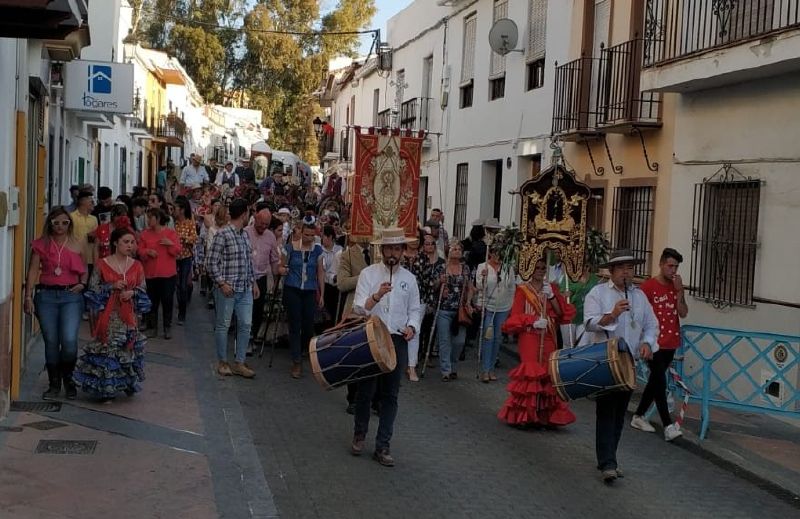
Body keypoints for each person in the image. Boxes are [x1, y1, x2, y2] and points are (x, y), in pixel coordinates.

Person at [581, 249, 659, 484]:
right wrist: (612, 314)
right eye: (623, 268)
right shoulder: (598, 293)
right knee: (606, 409)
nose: (627, 273)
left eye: (630, 269)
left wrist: (647, 343)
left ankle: (609, 456)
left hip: (629, 362)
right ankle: (608, 463)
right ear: (612, 271)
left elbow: (650, 325)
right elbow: (589, 323)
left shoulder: (640, 296)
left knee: (619, 413)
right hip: (605, 359)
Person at [351, 227, 421, 467]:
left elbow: (415, 310)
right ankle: (360, 433)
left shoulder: (410, 280)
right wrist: (377, 296)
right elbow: (358, 309)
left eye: (397, 249)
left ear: (402, 251)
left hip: (397, 339)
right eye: (389, 248)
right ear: (382, 250)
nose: (393, 253)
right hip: (372, 336)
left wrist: (412, 326)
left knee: (391, 394)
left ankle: (383, 445)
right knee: (366, 390)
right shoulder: (369, 274)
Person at [73, 227, 151, 401]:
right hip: (108, 314)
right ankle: (106, 387)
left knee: (127, 346)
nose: (129, 246)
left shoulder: (137, 266)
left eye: (132, 242)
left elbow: (143, 288)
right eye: (126, 242)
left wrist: (132, 293)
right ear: (116, 243)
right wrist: (111, 286)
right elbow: (92, 289)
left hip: (129, 314)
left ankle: (125, 382)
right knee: (108, 348)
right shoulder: (102, 264)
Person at [498, 259, 576, 427]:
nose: (540, 271)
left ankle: (544, 414)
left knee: (547, 372)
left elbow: (562, 313)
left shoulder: (551, 289)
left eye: (543, 268)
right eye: (537, 268)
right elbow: (514, 317)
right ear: (530, 270)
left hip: (548, 335)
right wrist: (532, 320)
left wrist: (553, 297)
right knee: (531, 371)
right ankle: (525, 415)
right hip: (529, 335)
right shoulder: (523, 290)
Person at [24, 207, 88, 400]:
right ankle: (54, 384)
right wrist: (28, 296)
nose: (60, 226)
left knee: (68, 340)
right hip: (46, 296)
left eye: (65, 222)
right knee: (51, 341)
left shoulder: (77, 243)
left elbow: (85, 268)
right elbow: (33, 270)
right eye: (56, 222)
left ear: (70, 223)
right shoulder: (41, 244)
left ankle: (68, 379)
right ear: (50, 223)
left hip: (71, 296)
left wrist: (82, 284)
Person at [631, 248, 689, 442]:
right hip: (653, 342)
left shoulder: (676, 287)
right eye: (670, 265)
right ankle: (668, 425)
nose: (673, 270)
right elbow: (638, 316)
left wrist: (680, 291)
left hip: (671, 342)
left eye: (676, 266)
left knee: (655, 381)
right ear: (661, 264)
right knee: (660, 381)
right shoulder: (648, 287)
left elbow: (683, 313)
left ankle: (638, 416)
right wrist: (641, 342)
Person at [207, 198, 259, 378]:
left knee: (245, 324)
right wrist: (221, 283)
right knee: (223, 325)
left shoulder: (244, 235)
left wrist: (253, 282)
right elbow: (211, 262)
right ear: (244, 214)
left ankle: (239, 362)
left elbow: (248, 261)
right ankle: (222, 361)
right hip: (227, 290)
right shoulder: (223, 234)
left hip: (244, 289)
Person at [282, 216, 325, 379]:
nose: (309, 238)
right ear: (301, 233)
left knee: (308, 325)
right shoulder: (290, 248)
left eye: (311, 235)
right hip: (292, 288)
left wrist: (321, 294)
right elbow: (282, 265)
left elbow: (320, 272)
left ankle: (301, 349)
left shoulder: (318, 250)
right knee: (295, 324)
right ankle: (296, 361)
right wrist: (281, 270)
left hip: (309, 290)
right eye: (306, 234)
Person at [337, 235, 371, 413]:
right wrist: (366, 275)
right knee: (355, 355)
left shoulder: (378, 252)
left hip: (375, 312)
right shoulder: (348, 254)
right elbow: (341, 283)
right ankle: (353, 397)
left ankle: (374, 398)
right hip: (354, 312)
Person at [138, 208, 180, 339]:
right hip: (151, 274)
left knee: (167, 300)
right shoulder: (145, 234)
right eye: (147, 217)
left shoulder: (170, 233)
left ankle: (167, 327)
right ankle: (152, 327)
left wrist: (170, 244)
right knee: (152, 302)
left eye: (150, 217)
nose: (148, 220)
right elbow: (139, 250)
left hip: (168, 274)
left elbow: (177, 251)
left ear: (158, 218)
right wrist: (147, 252)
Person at [245, 208, 284, 349]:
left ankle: (253, 336)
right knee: (245, 310)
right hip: (246, 277)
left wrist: (275, 279)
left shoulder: (270, 237)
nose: (263, 227)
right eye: (261, 223)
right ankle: (244, 337)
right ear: (255, 219)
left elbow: (274, 259)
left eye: (266, 225)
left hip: (261, 277)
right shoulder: (246, 233)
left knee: (258, 310)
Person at [476, 245, 516, 382]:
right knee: (488, 337)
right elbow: (480, 287)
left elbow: (511, 287)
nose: (498, 256)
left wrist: (511, 305)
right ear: (490, 253)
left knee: (497, 338)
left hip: (503, 307)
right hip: (489, 306)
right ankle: (485, 369)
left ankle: (492, 368)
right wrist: (483, 278)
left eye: (500, 253)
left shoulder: (507, 267)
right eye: (496, 253)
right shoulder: (483, 267)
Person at [436, 242, 474, 381]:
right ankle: (446, 370)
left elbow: (470, 287)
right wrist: (440, 282)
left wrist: (469, 302)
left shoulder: (465, 269)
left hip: (460, 310)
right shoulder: (442, 267)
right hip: (444, 309)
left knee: (459, 342)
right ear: (448, 251)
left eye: (459, 249)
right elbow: (434, 286)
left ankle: (453, 365)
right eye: (454, 249)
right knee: (445, 341)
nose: (457, 251)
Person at [417, 232, 445, 366]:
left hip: (434, 299)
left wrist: (439, 282)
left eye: (431, 244)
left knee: (430, 328)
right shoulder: (419, 260)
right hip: (421, 297)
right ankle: (416, 354)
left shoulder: (440, 263)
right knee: (419, 328)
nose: (429, 246)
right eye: (426, 244)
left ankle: (427, 354)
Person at [173, 198, 197, 325]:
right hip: (173, 258)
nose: (173, 211)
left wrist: (183, 238)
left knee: (183, 285)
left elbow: (194, 238)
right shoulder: (172, 222)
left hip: (186, 257)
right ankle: (180, 304)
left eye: (175, 208)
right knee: (177, 285)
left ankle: (182, 314)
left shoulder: (189, 222)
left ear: (182, 209)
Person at [70, 191, 99, 279]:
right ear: (83, 201)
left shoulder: (94, 219)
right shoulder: (71, 217)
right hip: (75, 257)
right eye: (90, 200)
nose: (93, 203)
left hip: (90, 257)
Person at [320, 225, 343, 327]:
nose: (322, 239)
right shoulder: (319, 251)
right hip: (324, 285)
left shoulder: (340, 250)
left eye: (323, 236)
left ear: (330, 237)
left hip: (338, 286)